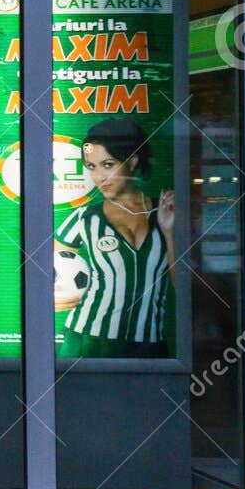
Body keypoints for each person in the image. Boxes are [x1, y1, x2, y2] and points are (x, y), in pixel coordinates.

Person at [54, 116, 175, 359]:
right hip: (87, 342)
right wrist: (55, 295)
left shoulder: (166, 212)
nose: (99, 176)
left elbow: (183, 286)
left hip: (148, 345)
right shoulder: (84, 218)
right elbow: (43, 270)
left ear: (132, 162)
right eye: (91, 166)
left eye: (108, 164)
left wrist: (169, 231)